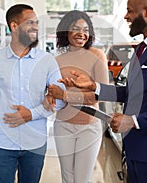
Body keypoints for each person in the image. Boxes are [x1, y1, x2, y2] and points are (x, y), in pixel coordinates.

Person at [59, 0, 147, 183]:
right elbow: (132, 93)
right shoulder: (142, 47)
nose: (126, 16)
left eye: (130, 11)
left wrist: (134, 121)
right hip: (135, 146)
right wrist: (94, 86)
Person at [0, 4, 66, 183]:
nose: (36, 27)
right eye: (30, 22)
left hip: (35, 142)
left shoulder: (47, 61)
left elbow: (59, 99)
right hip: (2, 143)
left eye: (37, 22)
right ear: (14, 26)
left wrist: (31, 114)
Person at [46, 10, 109, 183]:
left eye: (86, 29)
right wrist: (51, 97)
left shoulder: (97, 56)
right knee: (67, 177)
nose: (82, 33)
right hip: (63, 125)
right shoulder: (58, 60)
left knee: (82, 179)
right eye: (76, 28)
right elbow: (53, 94)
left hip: (89, 127)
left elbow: (100, 95)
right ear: (66, 31)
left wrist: (66, 95)